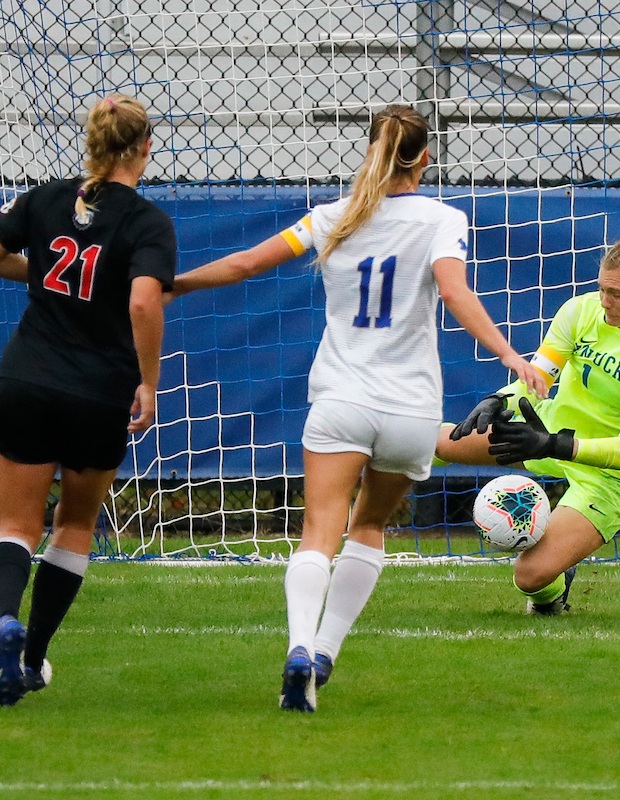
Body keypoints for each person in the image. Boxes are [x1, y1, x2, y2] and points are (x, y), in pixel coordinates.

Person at [167, 104, 547, 712]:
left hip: (341, 400)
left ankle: (298, 647)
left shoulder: (330, 218)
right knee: (368, 527)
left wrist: (176, 284)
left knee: (319, 532)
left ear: (370, 150)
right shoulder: (443, 219)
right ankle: (325, 653)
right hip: (408, 410)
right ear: (425, 157)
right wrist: (510, 356)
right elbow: (453, 290)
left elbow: (244, 264)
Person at [0, 94, 175, 706]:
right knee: (76, 524)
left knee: (16, 524)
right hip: (97, 392)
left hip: (27, 380)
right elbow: (143, 301)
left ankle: (5, 619)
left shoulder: (46, 197)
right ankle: (31, 656)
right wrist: (149, 381)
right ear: (144, 148)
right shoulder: (147, 222)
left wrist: (40, 276)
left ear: (92, 142)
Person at [437, 211, 620, 615]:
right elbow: (537, 377)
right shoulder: (581, 311)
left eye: (618, 294)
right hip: (548, 431)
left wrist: (551, 445)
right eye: (602, 288)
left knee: (530, 576)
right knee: (436, 443)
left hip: (613, 478)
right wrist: (500, 399)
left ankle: (555, 590)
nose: (605, 302)